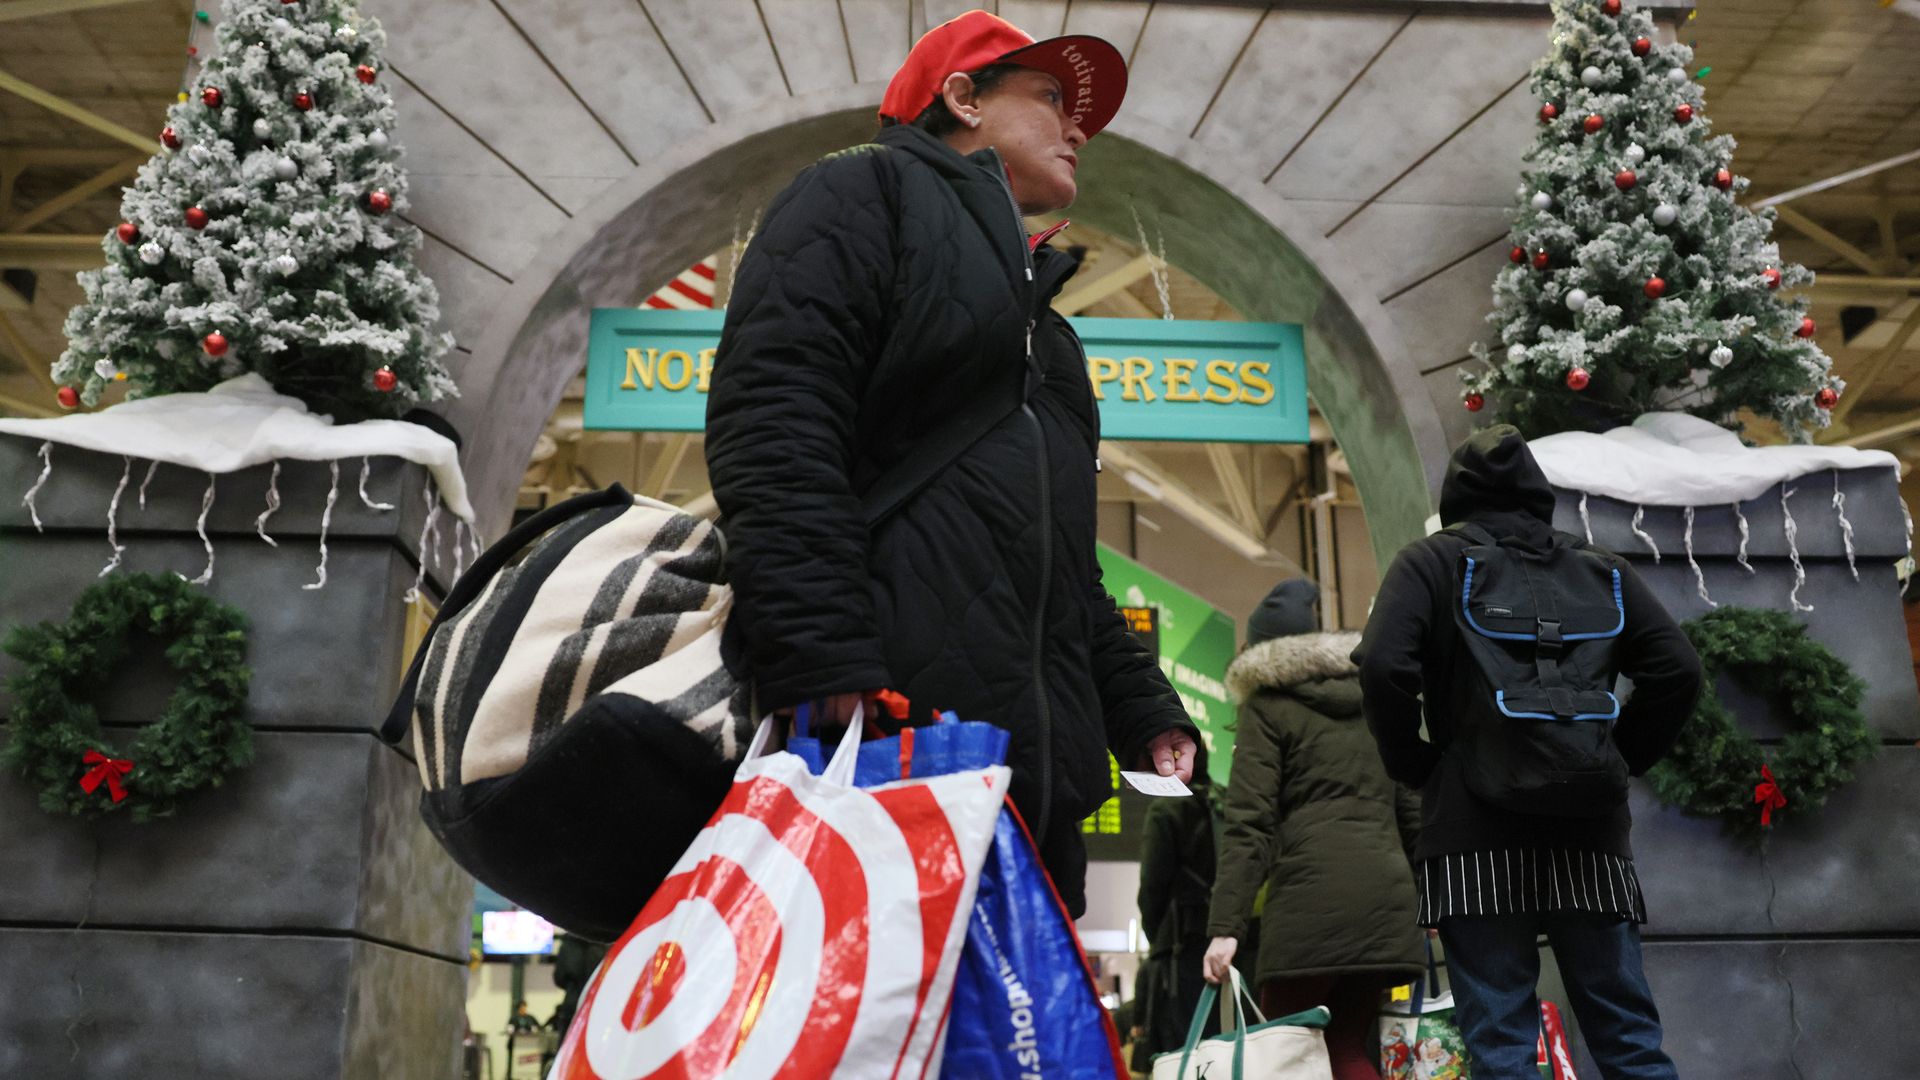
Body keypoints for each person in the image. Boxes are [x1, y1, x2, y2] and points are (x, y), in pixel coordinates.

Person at [705, 8, 1196, 917]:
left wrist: (1139, 707)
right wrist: (822, 653)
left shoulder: (1049, 336)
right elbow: (775, 417)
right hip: (885, 748)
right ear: (963, 97)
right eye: (1049, 95)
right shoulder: (860, 196)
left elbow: (1060, 560)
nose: (1078, 127)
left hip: (1035, 794)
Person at [1353, 426, 1703, 1080]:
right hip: (1589, 835)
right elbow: (1679, 672)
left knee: (1502, 1042)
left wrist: (1417, 764)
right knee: (1628, 1036)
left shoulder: (1430, 562)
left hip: (1471, 833)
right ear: (1538, 496)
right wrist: (1618, 758)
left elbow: (1381, 666)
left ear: (1457, 498)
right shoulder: (1603, 570)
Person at [1201, 578, 1425, 1080]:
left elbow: (1249, 824)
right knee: (1346, 1047)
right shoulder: (1374, 703)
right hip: (1386, 906)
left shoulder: (1266, 708)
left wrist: (1225, 928)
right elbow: (1413, 806)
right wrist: (1432, 897)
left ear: (1258, 650)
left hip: (1310, 911)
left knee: (1283, 1052)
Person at [1134, 744, 1223, 1063]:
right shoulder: (1226, 804)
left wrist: (1157, 936)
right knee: (1225, 1046)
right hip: (1232, 943)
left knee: (1183, 1054)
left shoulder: (1166, 810)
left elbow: (1152, 889)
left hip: (1181, 950)